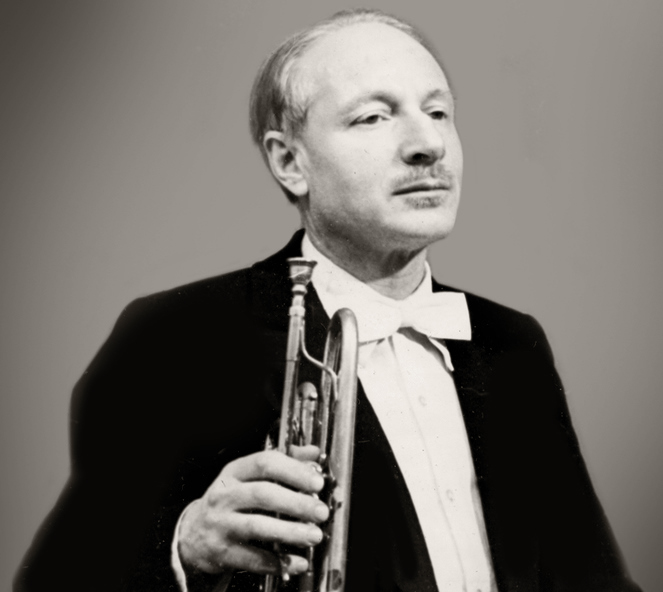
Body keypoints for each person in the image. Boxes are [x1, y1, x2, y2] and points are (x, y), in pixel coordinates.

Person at [16, 8, 640, 592]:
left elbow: (591, 574)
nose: (428, 144)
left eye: (438, 112)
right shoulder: (177, 337)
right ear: (290, 162)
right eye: (373, 117)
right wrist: (186, 548)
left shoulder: (513, 344)